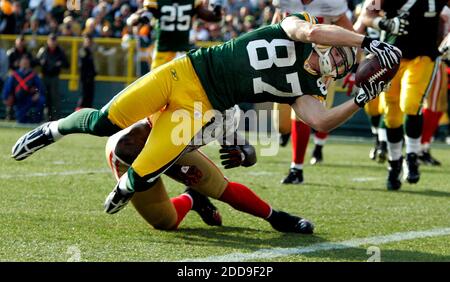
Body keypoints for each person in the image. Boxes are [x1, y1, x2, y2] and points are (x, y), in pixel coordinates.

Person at [12, 12, 400, 217]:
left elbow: (318, 121)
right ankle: (52, 130)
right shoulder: (294, 27)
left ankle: (131, 190)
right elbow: (313, 35)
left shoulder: (308, 87)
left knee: (144, 171)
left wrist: (363, 98)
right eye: (340, 49)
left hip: (203, 106)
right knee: (104, 122)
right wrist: (367, 41)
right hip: (184, 72)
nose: (337, 57)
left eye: (345, 60)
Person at [104, 116, 314, 233]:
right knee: (166, 222)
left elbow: (249, 153)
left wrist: (242, 155)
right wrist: (177, 169)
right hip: (133, 156)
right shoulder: (182, 99)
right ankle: (191, 198)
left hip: (174, 149)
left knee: (222, 188)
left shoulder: (222, 105)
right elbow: (128, 147)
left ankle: (277, 218)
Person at [359, 0, 450, 190]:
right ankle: (394, 163)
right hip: (391, 56)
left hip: (423, 57)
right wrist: (384, 24)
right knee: (392, 115)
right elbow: (367, 16)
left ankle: (412, 156)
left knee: (410, 104)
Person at [270, 0, 355, 185]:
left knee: (303, 116)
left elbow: (351, 34)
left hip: (318, 66)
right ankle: (288, 136)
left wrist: (354, 68)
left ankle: (297, 168)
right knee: (281, 125)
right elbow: (277, 20)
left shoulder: (333, 3)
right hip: (287, 61)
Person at [128, 0, 223, 70]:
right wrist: (138, 18)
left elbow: (211, 17)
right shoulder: (157, 2)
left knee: (184, 88)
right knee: (157, 87)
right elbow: (133, 19)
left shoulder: (191, 2)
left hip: (183, 52)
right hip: (163, 52)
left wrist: (217, 12)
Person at [2, 55, 45, 124]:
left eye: (26, 62)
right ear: (20, 63)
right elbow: (7, 88)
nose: (25, 64)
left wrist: (37, 94)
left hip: (30, 98)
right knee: (21, 121)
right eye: (23, 62)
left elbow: (40, 88)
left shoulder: (33, 75)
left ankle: (37, 120)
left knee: (41, 100)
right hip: (18, 100)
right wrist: (6, 97)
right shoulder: (14, 75)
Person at [36, 33, 69, 121]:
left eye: (54, 40)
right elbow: (35, 62)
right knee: (45, 98)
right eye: (51, 40)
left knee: (55, 99)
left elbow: (67, 64)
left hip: (54, 77)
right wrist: (41, 62)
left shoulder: (60, 51)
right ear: (48, 41)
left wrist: (60, 64)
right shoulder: (43, 50)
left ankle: (55, 118)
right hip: (44, 77)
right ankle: (45, 118)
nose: (53, 42)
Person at [76, 34, 97, 110]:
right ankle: (77, 114)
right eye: (87, 40)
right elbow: (82, 66)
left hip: (90, 78)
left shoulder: (90, 51)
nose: (88, 42)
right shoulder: (83, 50)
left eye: (89, 41)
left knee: (89, 98)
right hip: (85, 78)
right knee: (84, 97)